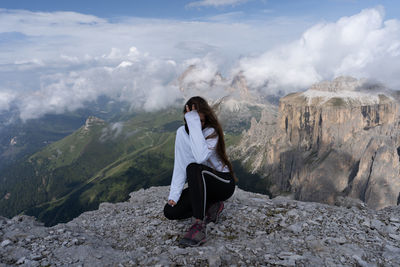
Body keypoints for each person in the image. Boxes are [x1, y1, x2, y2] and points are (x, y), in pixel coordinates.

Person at [163, 96, 236, 247]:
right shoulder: (181, 133)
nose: (199, 124)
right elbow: (180, 164)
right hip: (203, 185)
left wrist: (194, 123)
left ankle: (198, 226)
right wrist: (174, 195)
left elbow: (199, 156)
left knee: (194, 168)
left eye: (201, 121)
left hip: (223, 183)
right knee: (170, 212)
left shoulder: (211, 132)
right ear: (186, 118)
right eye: (195, 120)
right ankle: (211, 205)